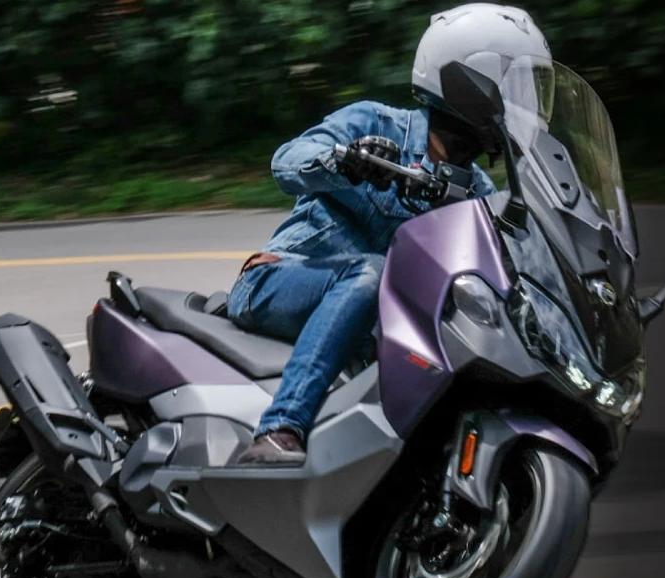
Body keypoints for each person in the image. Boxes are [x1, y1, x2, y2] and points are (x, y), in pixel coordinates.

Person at [228, 3, 551, 465]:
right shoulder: (376, 125)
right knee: (372, 274)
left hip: (379, 320)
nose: (525, 104)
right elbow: (286, 163)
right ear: (471, 86)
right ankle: (280, 428)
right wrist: (345, 160)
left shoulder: (479, 192)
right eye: (514, 87)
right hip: (279, 280)